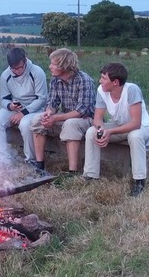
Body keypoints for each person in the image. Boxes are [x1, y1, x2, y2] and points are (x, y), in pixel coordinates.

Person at [83, 63, 149, 196]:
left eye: (103, 78)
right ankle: (91, 176)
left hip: (142, 127)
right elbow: (97, 119)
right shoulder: (101, 90)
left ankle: (139, 181)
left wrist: (110, 132)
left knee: (134, 136)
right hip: (119, 126)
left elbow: (135, 123)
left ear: (115, 82)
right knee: (91, 132)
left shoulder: (131, 90)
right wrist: (102, 130)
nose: (100, 81)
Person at [30, 48, 96, 175]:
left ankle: (72, 171)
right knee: (38, 119)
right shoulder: (56, 80)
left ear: (64, 65)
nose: (50, 67)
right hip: (67, 116)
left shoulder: (84, 80)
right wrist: (49, 112)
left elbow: (82, 110)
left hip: (88, 119)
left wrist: (56, 118)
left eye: (53, 64)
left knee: (71, 124)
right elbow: (52, 102)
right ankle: (40, 166)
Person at [0, 47, 47, 165]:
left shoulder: (37, 72)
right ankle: (3, 158)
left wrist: (23, 113)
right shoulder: (5, 75)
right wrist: (10, 106)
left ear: (25, 61)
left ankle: (30, 159)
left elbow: (42, 98)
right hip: (17, 107)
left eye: (20, 67)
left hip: (35, 108)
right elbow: (3, 99)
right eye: (13, 68)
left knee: (26, 123)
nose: (17, 71)